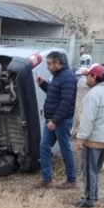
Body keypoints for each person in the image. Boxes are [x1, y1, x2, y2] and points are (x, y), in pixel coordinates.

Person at [73, 63, 104, 208]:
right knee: (95, 170)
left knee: (88, 170)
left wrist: (81, 138)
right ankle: (94, 195)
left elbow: (88, 119)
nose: (86, 78)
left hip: (92, 139)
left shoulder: (92, 95)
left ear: (94, 77)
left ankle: (89, 198)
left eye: (88, 75)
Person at [34, 51, 78, 189]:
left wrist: (55, 120)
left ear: (58, 63)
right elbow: (55, 95)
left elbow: (66, 102)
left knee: (65, 149)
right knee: (44, 146)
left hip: (61, 121)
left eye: (49, 63)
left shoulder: (68, 78)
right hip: (52, 120)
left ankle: (71, 179)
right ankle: (46, 178)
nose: (47, 67)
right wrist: (43, 85)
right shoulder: (58, 76)